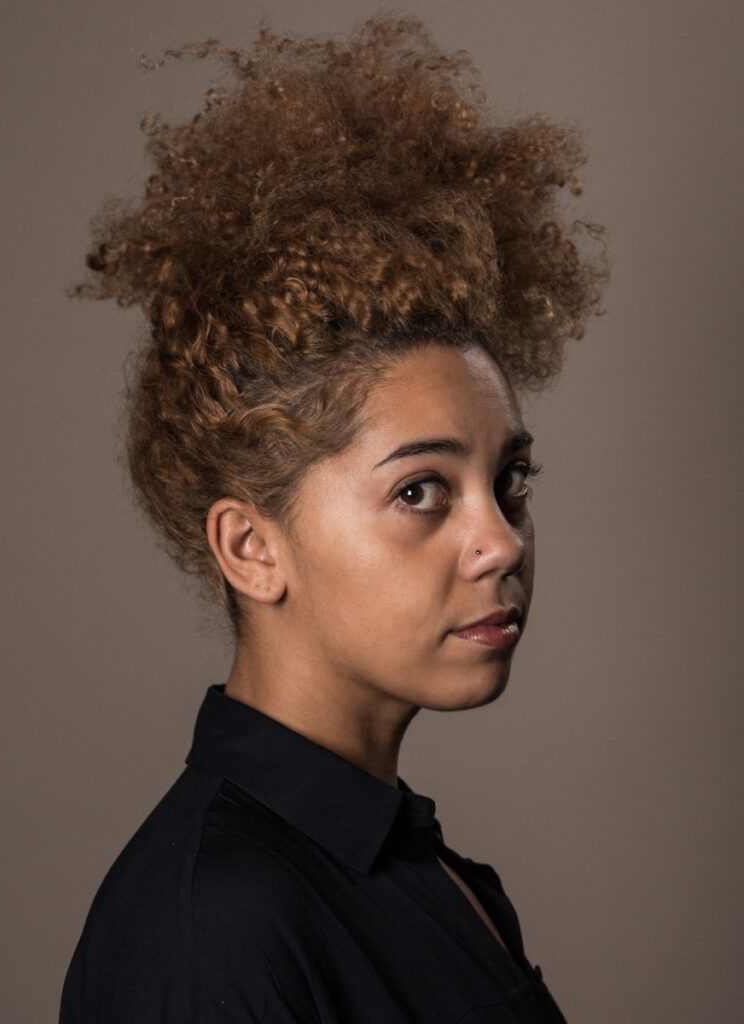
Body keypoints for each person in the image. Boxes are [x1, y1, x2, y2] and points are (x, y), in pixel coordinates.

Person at [59, 15, 606, 1023]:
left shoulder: (419, 868)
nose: (502, 542)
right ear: (252, 548)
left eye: (509, 482)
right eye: (420, 492)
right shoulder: (214, 931)